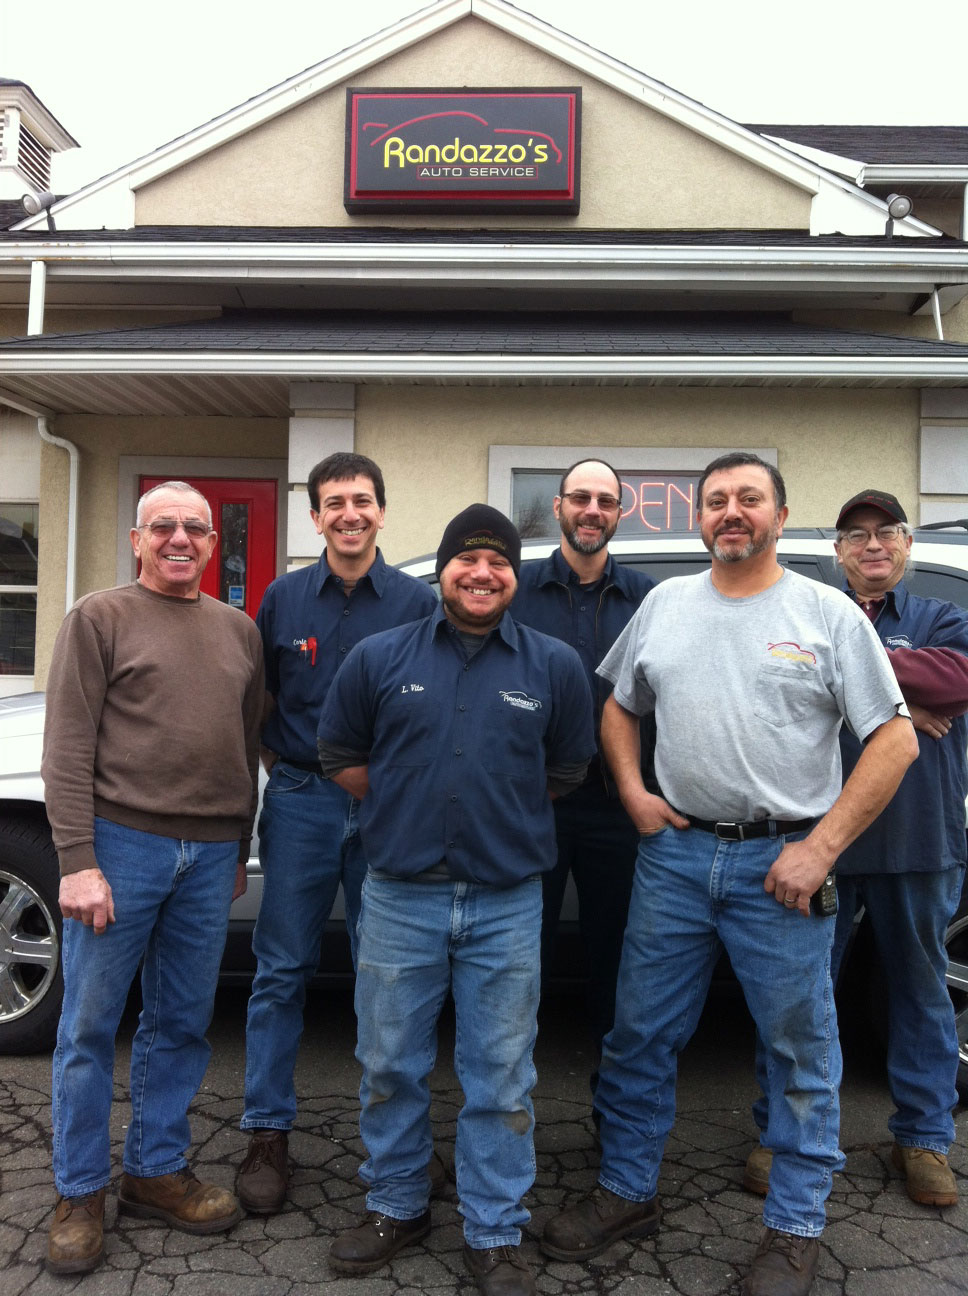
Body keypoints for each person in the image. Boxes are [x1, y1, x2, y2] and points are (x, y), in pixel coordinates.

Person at [540, 454, 918, 1296]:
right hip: (675, 857)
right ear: (699, 519)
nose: (731, 512)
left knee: (797, 1050)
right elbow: (618, 705)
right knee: (638, 1036)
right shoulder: (667, 605)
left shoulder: (825, 613)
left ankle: (793, 1228)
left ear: (782, 516)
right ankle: (627, 1190)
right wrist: (635, 792)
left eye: (750, 499)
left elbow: (893, 739)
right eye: (716, 502)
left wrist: (822, 847)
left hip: (781, 865)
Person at [317, 504, 595, 1296]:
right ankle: (397, 1203)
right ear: (440, 571)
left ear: (514, 574)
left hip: (507, 902)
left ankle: (493, 1228)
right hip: (400, 895)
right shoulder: (379, 656)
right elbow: (340, 752)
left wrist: (490, 813)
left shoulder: (554, 667)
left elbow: (567, 770)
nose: (481, 574)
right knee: (388, 1065)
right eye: (465, 561)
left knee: (501, 1075)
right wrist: (411, 801)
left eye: (497, 562)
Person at [42, 481, 264, 1275]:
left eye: (195, 528)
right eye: (162, 525)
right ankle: (78, 1192)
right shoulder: (98, 618)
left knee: (180, 1024)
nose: (180, 538)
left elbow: (244, 750)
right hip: (120, 846)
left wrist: (237, 848)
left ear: (213, 544)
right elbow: (66, 749)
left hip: (207, 859)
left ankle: (154, 1171)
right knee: (89, 1030)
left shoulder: (240, 630)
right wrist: (77, 862)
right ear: (137, 539)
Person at [744, 488, 967, 1211]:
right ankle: (781, 1134)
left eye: (887, 532)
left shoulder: (944, 616)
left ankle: (925, 1138)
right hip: (819, 842)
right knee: (796, 998)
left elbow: (958, 676)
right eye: (857, 535)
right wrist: (906, 680)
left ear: (904, 547)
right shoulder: (806, 614)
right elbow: (772, 683)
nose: (873, 544)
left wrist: (853, 666)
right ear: (838, 554)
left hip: (918, 839)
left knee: (921, 993)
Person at [237, 452, 436, 1214]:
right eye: (333, 503)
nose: (348, 513)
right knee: (280, 969)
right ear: (314, 517)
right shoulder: (282, 602)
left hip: (390, 807)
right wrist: (287, 781)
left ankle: (397, 1142)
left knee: (387, 980)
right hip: (301, 800)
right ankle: (265, 1133)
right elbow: (262, 708)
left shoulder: (420, 603)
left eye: (361, 500)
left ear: (382, 511)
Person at [511, 458, 654, 1097]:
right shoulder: (513, 588)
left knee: (619, 964)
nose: (592, 510)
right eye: (580, 498)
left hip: (620, 807)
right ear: (559, 507)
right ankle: (509, 1101)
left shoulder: (651, 598)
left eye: (606, 500)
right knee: (514, 961)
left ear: (619, 513)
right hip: (529, 805)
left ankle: (614, 1108)